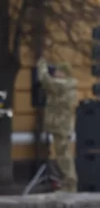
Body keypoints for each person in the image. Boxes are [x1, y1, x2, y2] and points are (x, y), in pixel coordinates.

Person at [36, 57, 78, 192]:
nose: (55, 73)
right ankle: (68, 183)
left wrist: (42, 65)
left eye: (58, 71)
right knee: (63, 155)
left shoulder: (62, 85)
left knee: (64, 156)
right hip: (61, 125)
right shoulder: (66, 85)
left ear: (64, 73)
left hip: (61, 125)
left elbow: (45, 80)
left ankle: (70, 184)